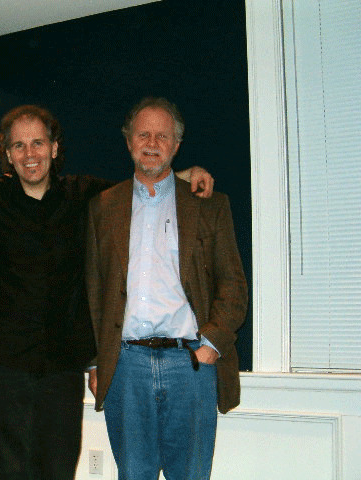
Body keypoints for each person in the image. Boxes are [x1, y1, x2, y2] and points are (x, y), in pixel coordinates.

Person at [0, 105, 214, 480]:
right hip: (2, 366)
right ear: (8, 154)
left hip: (62, 368)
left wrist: (182, 175)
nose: (29, 154)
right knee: (12, 470)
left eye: (38, 143)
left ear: (54, 148)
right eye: (19, 146)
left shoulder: (86, 196)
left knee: (58, 469)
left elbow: (141, 189)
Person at [85, 97, 248, 480]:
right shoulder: (101, 207)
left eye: (163, 135)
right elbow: (92, 291)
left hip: (189, 363)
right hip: (126, 367)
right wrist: (95, 361)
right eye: (144, 134)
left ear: (176, 145)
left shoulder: (208, 205)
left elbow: (234, 284)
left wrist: (210, 346)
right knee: (133, 474)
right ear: (128, 141)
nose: (152, 142)